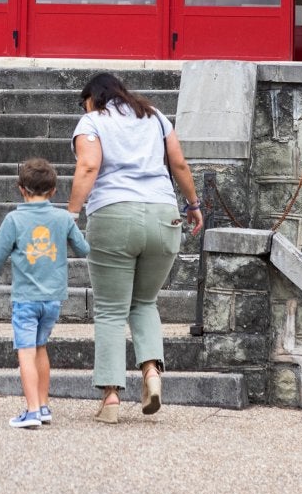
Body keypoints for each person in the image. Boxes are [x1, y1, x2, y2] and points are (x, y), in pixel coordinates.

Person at [66, 72, 203, 425]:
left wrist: (71, 214)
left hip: (113, 216)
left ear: (93, 98)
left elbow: (89, 165)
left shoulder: (91, 121)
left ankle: (111, 398)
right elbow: (180, 164)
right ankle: (152, 375)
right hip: (163, 217)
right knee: (144, 302)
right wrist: (193, 205)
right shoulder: (156, 118)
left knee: (112, 310)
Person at [0, 157, 90, 429]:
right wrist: (70, 224)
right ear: (54, 190)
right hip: (53, 299)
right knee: (40, 347)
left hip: (26, 300)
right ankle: (44, 404)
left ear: (21, 188)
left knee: (25, 351)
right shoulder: (61, 218)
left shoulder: (14, 219)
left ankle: (32, 410)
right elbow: (83, 249)